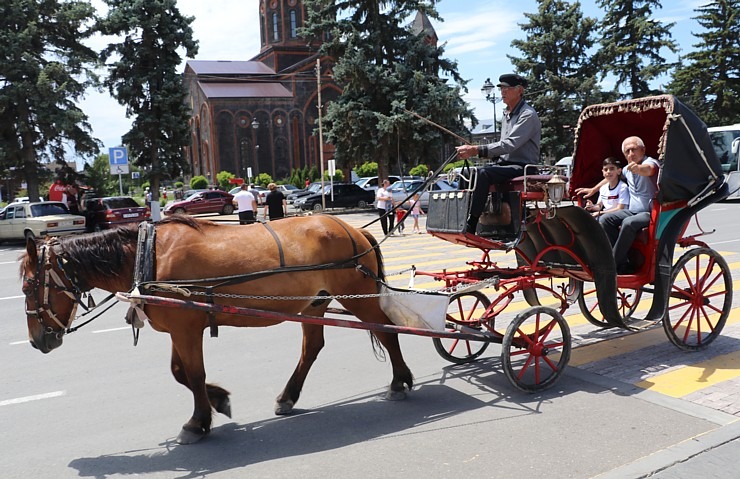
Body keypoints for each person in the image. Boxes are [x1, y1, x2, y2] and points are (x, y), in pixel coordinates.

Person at [455, 73, 541, 234]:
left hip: (522, 166)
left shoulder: (527, 114)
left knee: (483, 174)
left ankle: (472, 224)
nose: (503, 92)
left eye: (507, 88)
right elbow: (503, 148)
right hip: (506, 164)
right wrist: (488, 153)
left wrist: (476, 150)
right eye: (501, 88)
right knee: (466, 173)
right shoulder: (507, 114)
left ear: (519, 90)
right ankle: (460, 217)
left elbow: (509, 144)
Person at [576, 136, 661, 273]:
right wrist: (594, 190)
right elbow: (611, 177)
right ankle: (622, 262)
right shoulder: (627, 169)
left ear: (643, 150)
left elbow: (649, 169)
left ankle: (612, 263)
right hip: (632, 210)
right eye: (627, 151)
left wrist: (638, 169)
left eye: (634, 150)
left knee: (628, 223)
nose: (631, 154)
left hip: (648, 212)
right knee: (604, 219)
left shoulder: (649, 162)